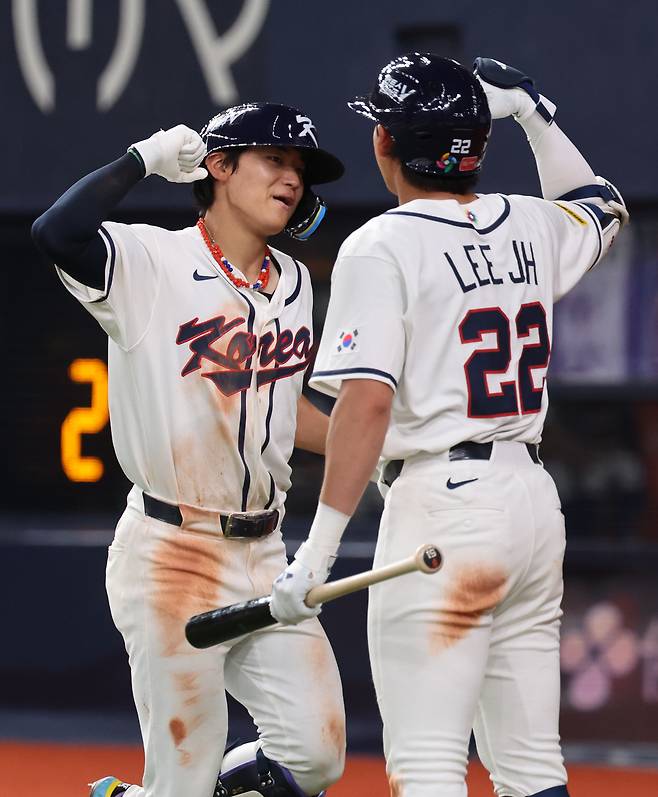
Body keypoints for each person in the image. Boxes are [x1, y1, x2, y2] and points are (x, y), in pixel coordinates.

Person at [269, 54, 628, 797]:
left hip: (442, 510)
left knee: (428, 765)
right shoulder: (530, 222)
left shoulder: (382, 244)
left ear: (385, 142)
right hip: (531, 503)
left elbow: (366, 404)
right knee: (532, 766)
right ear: (478, 145)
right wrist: (531, 112)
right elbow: (600, 200)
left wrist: (316, 555)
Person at [32, 103, 347, 797]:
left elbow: (282, 408)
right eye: (274, 159)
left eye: (299, 168)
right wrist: (141, 160)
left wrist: (377, 447)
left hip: (266, 551)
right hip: (171, 553)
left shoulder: (294, 283)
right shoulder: (153, 261)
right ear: (220, 166)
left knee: (316, 756)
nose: (292, 178)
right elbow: (56, 231)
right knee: (184, 773)